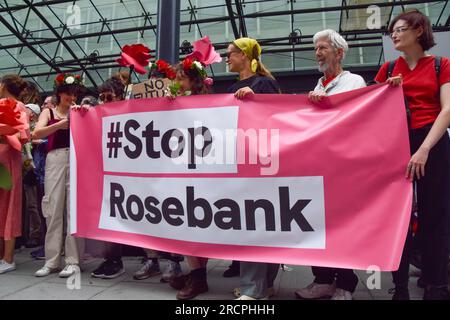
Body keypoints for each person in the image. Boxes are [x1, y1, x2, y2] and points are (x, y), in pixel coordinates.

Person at [374, 9, 450, 300]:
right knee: (399, 217)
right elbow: (370, 110)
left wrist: (424, 149)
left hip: (432, 142)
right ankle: (401, 287)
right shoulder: (389, 68)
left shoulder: (441, 65)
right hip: (397, 144)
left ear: (419, 31)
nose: (394, 33)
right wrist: (387, 92)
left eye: (400, 28)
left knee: (436, 216)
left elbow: (447, 109)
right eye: (392, 30)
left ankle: (436, 284)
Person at [294, 29, 366, 301]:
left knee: (342, 224)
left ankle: (346, 283)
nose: (318, 53)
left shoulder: (354, 81)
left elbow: (354, 118)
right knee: (318, 224)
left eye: (323, 48)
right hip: (320, 166)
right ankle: (323, 279)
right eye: (316, 49)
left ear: (339, 52)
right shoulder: (318, 84)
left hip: (345, 167)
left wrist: (325, 106)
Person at [224, 37, 281, 300]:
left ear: (245, 56)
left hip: (261, 165)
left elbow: (277, 118)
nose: (227, 58)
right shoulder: (236, 86)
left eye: (231, 53)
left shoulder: (263, 84)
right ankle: (262, 286)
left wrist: (256, 100)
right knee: (256, 224)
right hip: (242, 162)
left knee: (253, 225)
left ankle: (253, 289)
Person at [164, 39, 221, 299]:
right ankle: (196, 274)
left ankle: (198, 276)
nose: (177, 84)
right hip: (181, 171)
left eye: (181, 80)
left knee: (200, 222)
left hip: (202, 173)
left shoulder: (210, 105)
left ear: (194, 81)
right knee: (185, 222)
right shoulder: (174, 101)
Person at [33, 73, 85, 278]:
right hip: (54, 159)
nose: (72, 98)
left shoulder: (79, 111)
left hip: (75, 159)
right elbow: (36, 133)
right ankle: (52, 260)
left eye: (74, 95)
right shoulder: (49, 111)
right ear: (60, 94)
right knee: (53, 208)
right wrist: (58, 125)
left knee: (73, 210)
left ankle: (73, 261)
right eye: (68, 94)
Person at [0, 74, 30, 274]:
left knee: (9, 206)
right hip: (4, 157)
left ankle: (8, 257)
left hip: (8, 158)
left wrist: (4, 135)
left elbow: (24, 135)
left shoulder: (18, 106)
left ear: (3, 86)